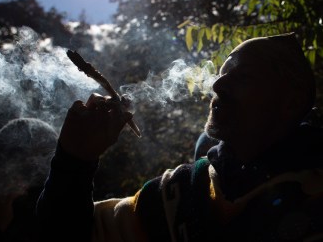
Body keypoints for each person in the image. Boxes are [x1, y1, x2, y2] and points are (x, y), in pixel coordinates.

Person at [36, 32, 323, 241]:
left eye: (244, 76)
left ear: (290, 103)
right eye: (222, 74)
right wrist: (74, 160)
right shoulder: (179, 193)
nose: (218, 83)